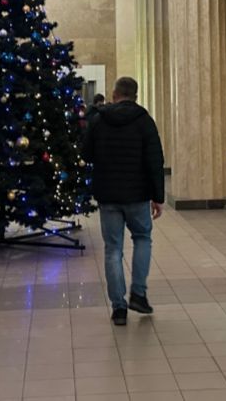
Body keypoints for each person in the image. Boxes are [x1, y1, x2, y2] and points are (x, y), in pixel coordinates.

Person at [83, 76, 164, 326]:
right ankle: (138, 294)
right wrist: (158, 197)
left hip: (108, 194)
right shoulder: (145, 121)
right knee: (142, 238)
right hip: (137, 193)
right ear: (135, 96)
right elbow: (155, 161)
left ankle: (119, 308)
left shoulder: (98, 121)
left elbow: (86, 154)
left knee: (113, 249)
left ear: (114, 94)